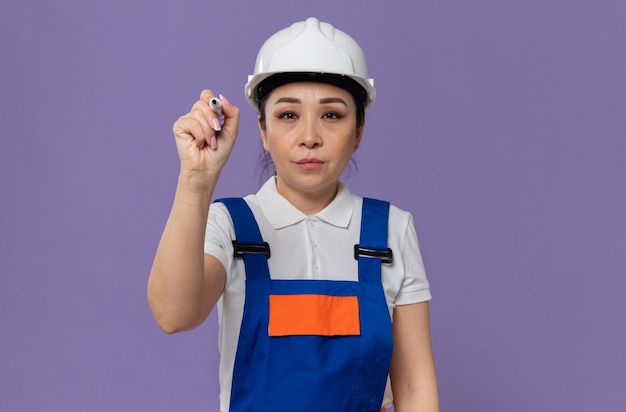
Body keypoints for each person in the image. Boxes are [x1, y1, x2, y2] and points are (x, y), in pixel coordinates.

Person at [148, 17, 439, 412]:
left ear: (358, 132)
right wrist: (196, 181)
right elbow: (173, 314)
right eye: (288, 115)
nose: (309, 136)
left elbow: (415, 390)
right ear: (263, 131)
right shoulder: (230, 224)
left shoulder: (391, 230)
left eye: (332, 115)